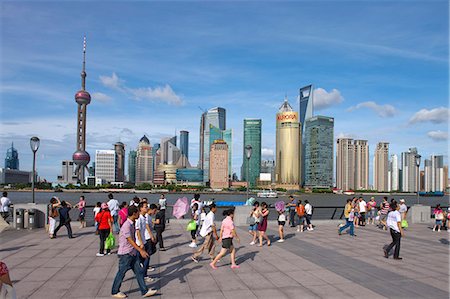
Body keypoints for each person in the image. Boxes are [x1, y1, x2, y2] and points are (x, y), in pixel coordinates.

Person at [111, 205, 157, 298]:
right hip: (125, 253)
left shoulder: (132, 223)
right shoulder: (126, 225)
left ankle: (144, 291)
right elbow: (130, 240)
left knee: (139, 272)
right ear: (134, 213)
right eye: (137, 212)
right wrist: (141, 250)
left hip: (132, 252)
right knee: (121, 272)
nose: (138, 214)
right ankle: (115, 291)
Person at [135, 202, 155, 283]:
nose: (147, 208)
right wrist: (141, 243)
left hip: (144, 241)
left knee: (142, 260)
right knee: (145, 258)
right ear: (141, 208)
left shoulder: (143, 217)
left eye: (147, 207)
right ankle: (144, 276)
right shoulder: (139, 218)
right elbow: (138, 231)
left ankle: (143, 274)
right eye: (145, 207)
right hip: (140, 243)